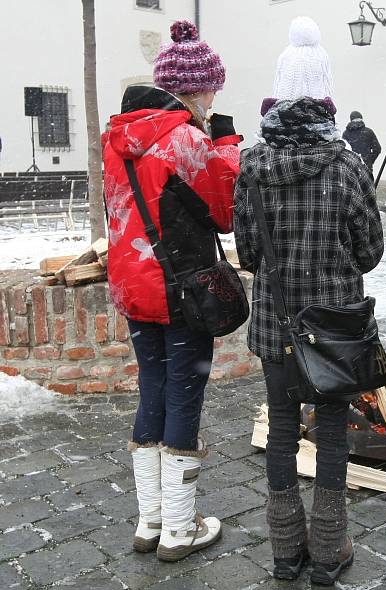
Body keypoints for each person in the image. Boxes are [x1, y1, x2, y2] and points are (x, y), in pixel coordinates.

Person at [233, 16, 383, 586]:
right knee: (334, 433)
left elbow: (248, 252)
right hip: (335, 329)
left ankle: (285, 552)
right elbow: (370, 252)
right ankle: (327, 551)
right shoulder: (347, 166)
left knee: (280, 430)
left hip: (277, 327)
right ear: (326, 99)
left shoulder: (251, 166)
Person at [103, 20, 241, 561]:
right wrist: (226, 144)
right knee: (184, 395)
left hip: (134, 287)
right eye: (212, 88)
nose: (215, 98)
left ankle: (150, 521)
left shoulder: (118, 138)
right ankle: (180, 530)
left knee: (153, 391)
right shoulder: (184, 139)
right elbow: (225, 212)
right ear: (196, 88)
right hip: (182, 292)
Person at [342, 110, 381, 180]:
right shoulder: (368, 132)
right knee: (367, 189)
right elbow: (377, 149)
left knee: (352, 189)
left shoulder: (346, 134)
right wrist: (369, 161)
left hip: (350, 167)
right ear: (361, 119)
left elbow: (342, 151)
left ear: (351, 120)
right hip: (366, 167)